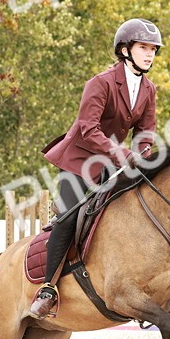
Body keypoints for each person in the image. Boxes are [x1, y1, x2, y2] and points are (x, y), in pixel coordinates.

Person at [30, 18, 161, 319]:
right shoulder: (100, 83)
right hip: (81, 158)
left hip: (114, 160)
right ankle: (48, 289)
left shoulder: (148, 89)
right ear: (125, 50)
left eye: (153, 49)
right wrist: (119, 151)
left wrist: (143, 155)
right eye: (143, 48)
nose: (149, 54)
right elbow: (87, 128)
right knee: (68, 215)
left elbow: (145, 132)